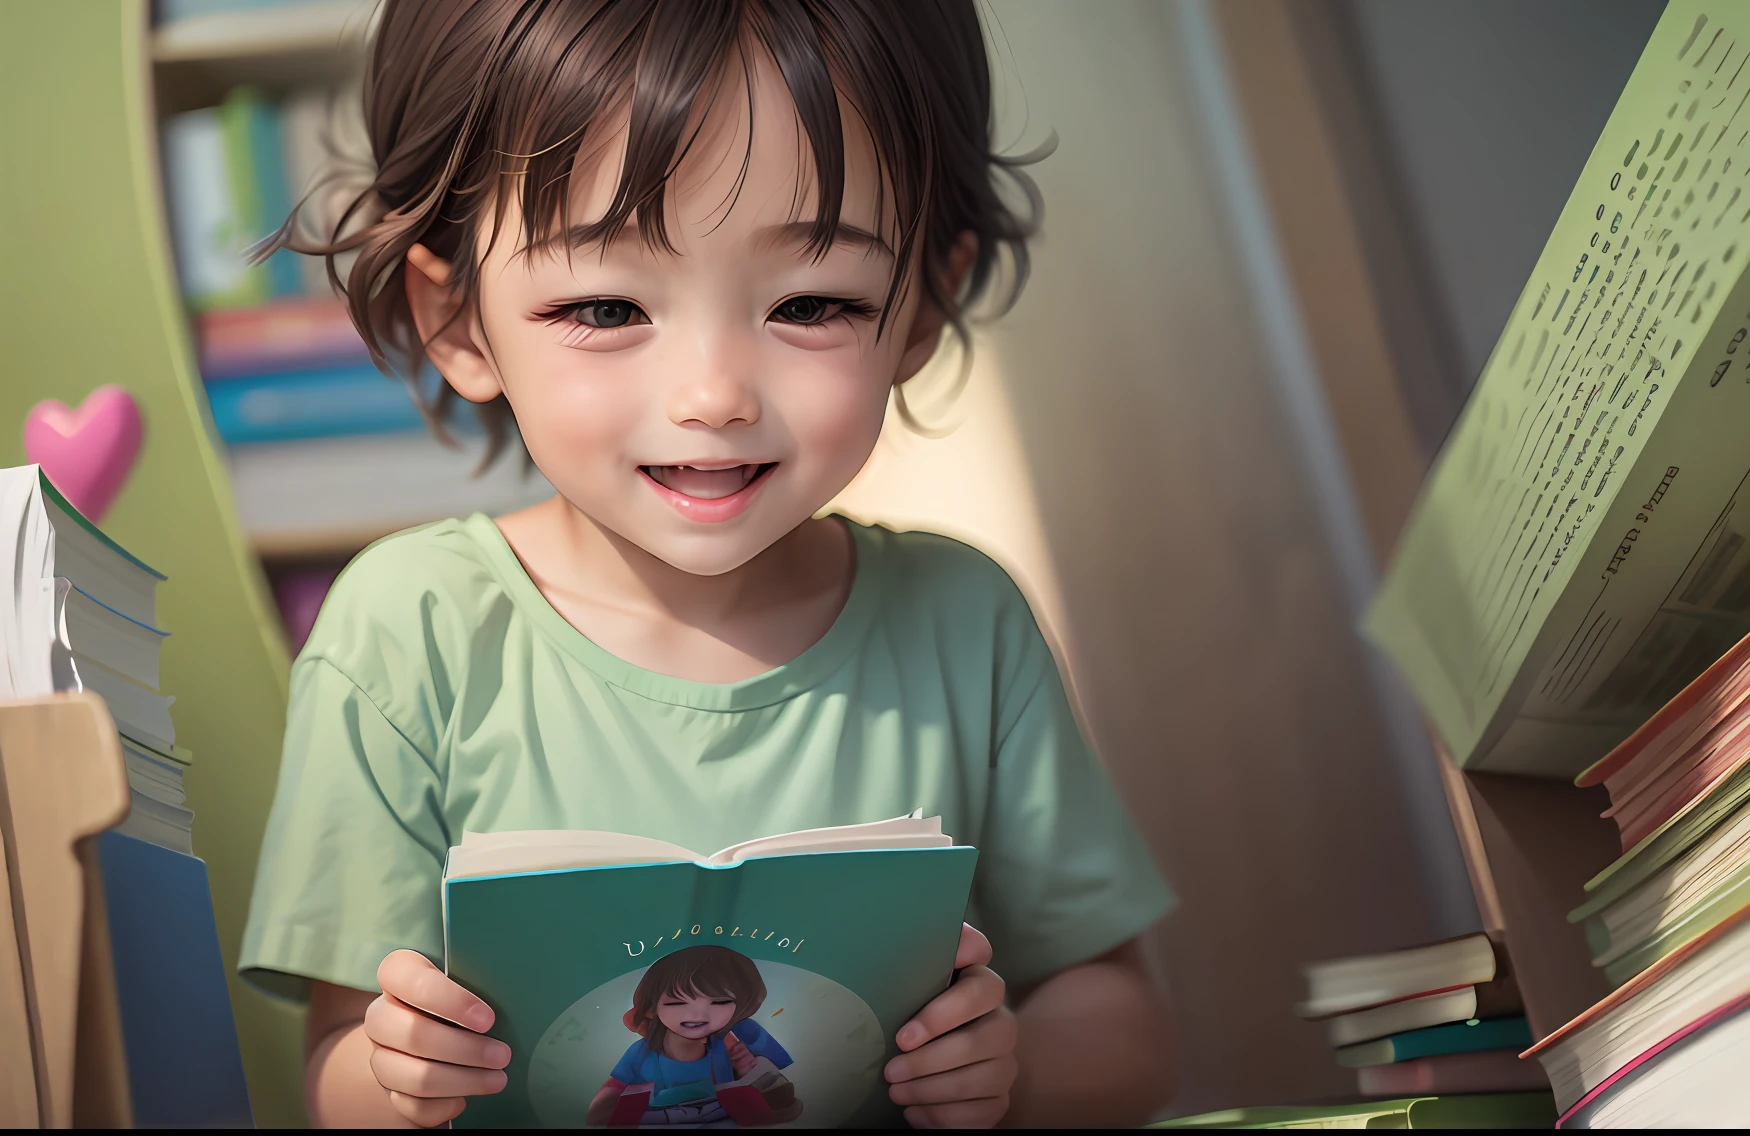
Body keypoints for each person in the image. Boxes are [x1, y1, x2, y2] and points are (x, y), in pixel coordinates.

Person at [235, 0, 1178, 1127]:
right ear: (459, 320)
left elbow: (1120, 1020)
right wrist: (402, 1076)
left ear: (919, 306)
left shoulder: (963, 620)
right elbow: (338, 1070)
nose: (712, 395)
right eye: (603, 304)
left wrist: (1011, 1063)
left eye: (811, 302)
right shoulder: (406, 630)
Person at [588, 946, 800, 1129]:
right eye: (677, 1002)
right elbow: (601, 1109)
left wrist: (747, 1073)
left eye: (719, 1002)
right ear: (652, 1007)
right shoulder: (641, 1053)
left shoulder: (727, 1048)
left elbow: (778, 1100)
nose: (698, 1015)